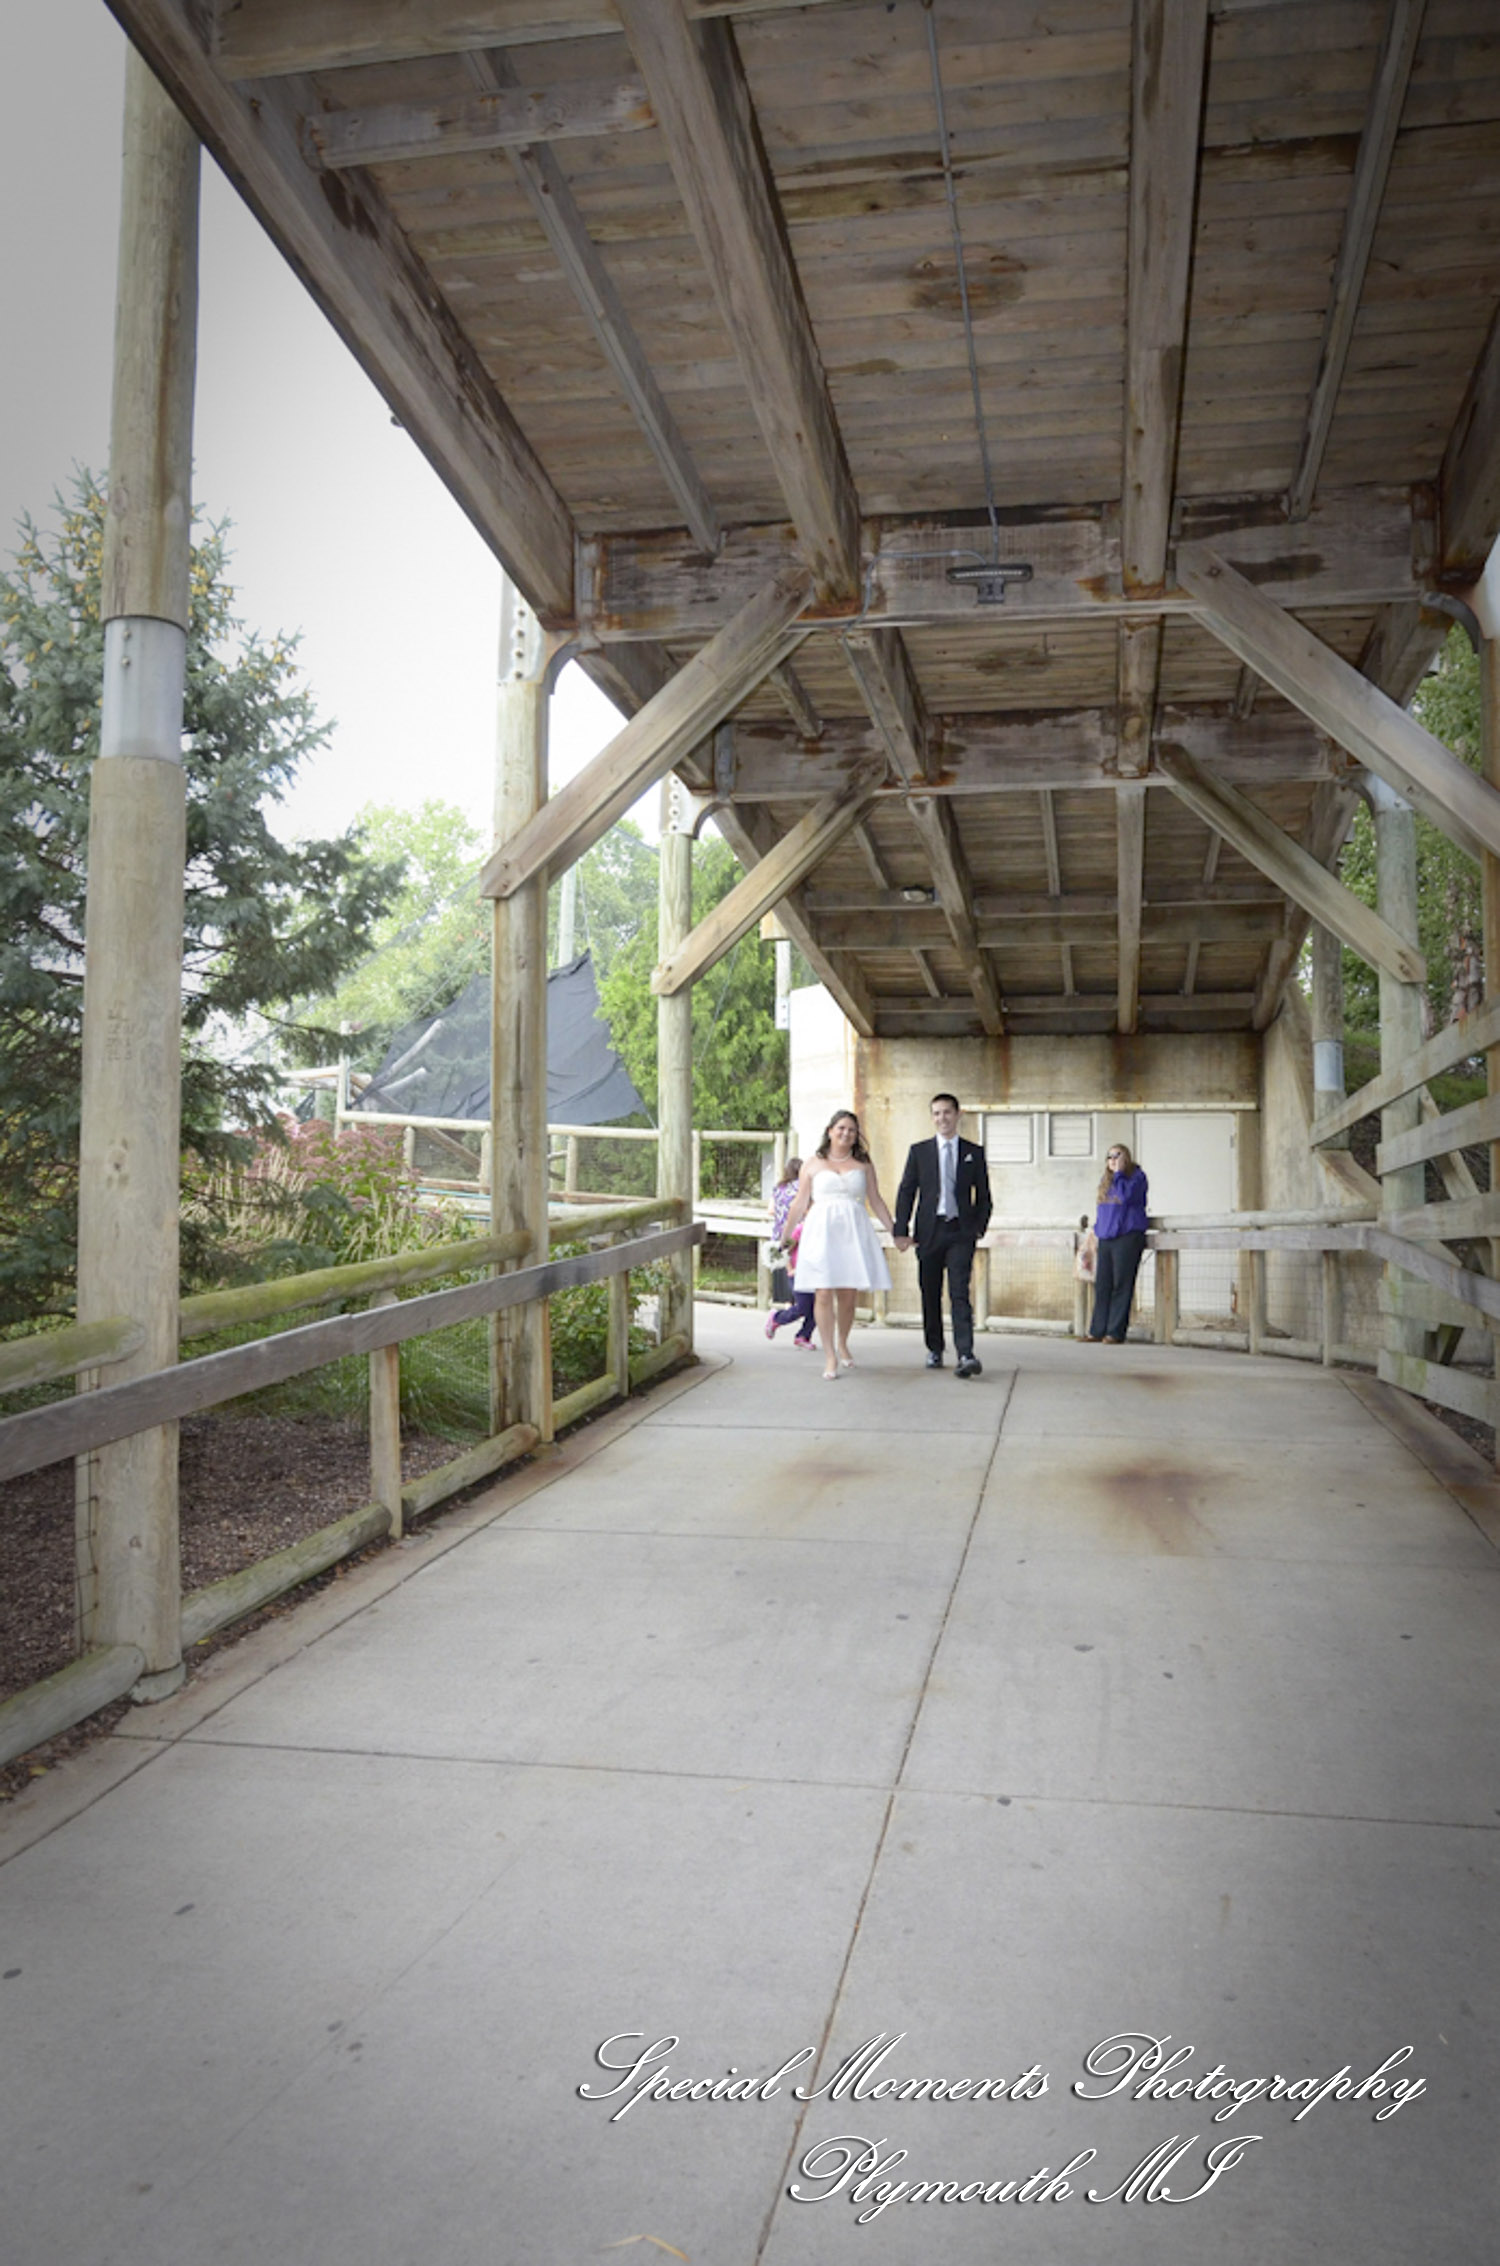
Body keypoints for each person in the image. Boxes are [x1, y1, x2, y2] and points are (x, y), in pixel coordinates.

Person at [784, 1109, 895, 1380]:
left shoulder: (863, 1164)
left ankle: (843, 1341)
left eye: (851, 1130)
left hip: (852, 1230)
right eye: (841, 1128)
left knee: (847, 1294)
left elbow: (876, 1200)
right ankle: (830, 1355)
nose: (846, 1133)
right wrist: (785, 1235)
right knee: (823, 1292)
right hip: (822, 1230)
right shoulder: (813, 1163)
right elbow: (800, 1202)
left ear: (857, 1135)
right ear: (830, 1130)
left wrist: (896, 1231)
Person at [893, 1092, 993, 1378]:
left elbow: (984, 1196)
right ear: (932, 1117)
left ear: (958, 1114)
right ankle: (935, 1348)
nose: (942, 1118)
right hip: (929, 1232)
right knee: (930, 1292)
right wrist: (901, 1229)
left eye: (947, 1112)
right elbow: (906, 1192)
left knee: (959, 1292)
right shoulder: (919, 1151)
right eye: (936, 1113)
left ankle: (966, 1353)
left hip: (960, 1232)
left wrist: (977, 1227)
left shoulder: (973, 1152)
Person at [1089, 1141, 1150, 1343]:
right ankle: (1097, 1330)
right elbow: (1103, 1209)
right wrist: (1097, 1232)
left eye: (1118, 1156)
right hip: (1107, 1237)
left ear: (1126, 1159)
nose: (1113, 1160)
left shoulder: (1136, 1178)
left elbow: (1125, 1197)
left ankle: (1115, 1332)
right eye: (1110, 1157)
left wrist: (1120, 1174)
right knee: (1102, 1285)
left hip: (1127, 1236)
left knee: (1121, 1285)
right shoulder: (1105, 1181)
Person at [764, 1155, 816, 1350]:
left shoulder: (779, 1188)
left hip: (779, 1238)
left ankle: (799, 1328)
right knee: (804, 1299)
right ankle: (782, 1318)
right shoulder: (803, 1190)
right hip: (796, 1236)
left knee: (796, 1293)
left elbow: (770, 1211)